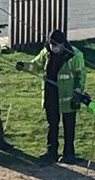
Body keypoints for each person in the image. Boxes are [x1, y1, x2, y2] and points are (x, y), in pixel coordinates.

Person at [17, 29, 86, 163]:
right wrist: (23, 66)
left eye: (57, 45)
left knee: (69, 126)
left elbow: (81, 76)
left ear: (63, 43)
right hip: (51, 94)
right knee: (52, 124)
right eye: (51, 45)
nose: (54, 48)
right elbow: (36, 65)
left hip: (68, 97)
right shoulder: (46, 52)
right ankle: (51, 152)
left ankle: (69, 154)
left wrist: (77, 94)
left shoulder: (75, 55)